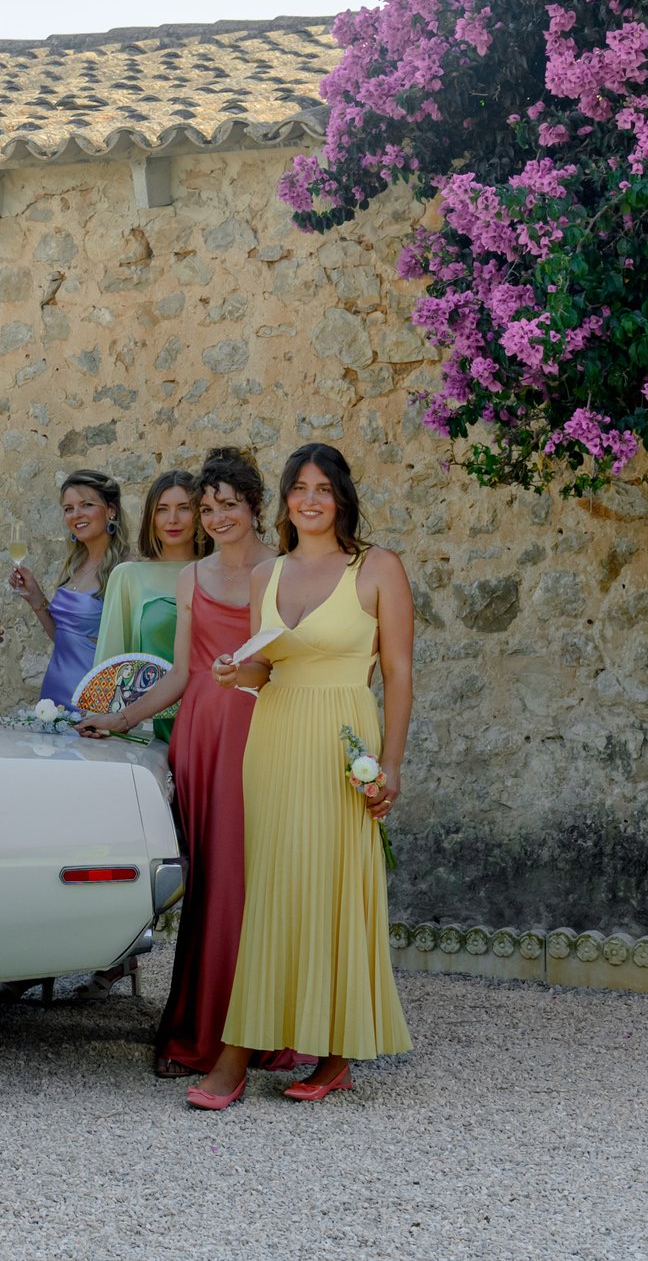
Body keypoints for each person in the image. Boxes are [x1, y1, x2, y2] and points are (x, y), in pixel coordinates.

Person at [190, 443, 415, 1108]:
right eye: (298, 488)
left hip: (343, 737)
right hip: (276, 734)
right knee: (275, 889)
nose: (309, 499)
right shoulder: (270, 572)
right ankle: (242, 1049)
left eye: (322, 487)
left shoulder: (377, 567)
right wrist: (239, 672)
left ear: (341, 495)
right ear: (285, 499)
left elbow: (398, 672)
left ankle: (335, 1051)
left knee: (336, 886)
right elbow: (268, 664)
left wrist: (393, 764)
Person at [76, 448, 293, 1077]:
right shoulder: (191, 578)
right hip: (200, 732)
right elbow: (180, 672)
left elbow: (282, 661)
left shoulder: (280, 571)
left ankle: (265, 1029)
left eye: (229, 503)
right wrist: (119, 718)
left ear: (255, 505)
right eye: (208, 506)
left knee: (255, 878)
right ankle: (206, 1027)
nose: (217, 515)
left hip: (261, 728)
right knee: (212, 884)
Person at [94, 469, 207, 740]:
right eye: (162, 509)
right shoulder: (129, 575)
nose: (172, 520)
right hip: (149, 725)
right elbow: (112, 661)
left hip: (210, 716)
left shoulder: (216, 573)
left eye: (184, 508)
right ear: (151, 518)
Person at [8, 468, 121, 710]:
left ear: (111, 509)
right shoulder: (74, 566)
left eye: (86, 504)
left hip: (93, 699)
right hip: (54, 693)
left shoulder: (124, 570)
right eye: (68, 508)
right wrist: (36, 599)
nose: (75, 514)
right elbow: (64, 638)